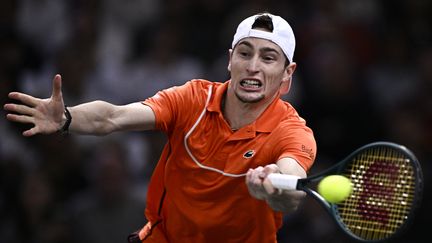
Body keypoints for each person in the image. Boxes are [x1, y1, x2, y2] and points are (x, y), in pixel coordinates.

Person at [4, 13, 316, 243]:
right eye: (245, 53)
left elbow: (292, 185)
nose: (253, 66)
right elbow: (113, 117)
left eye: (268, 58)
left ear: (287, 74)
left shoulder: (292, 131)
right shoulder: (192, 98)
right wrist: (66, 118)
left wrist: (272, 185)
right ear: (230, 60)